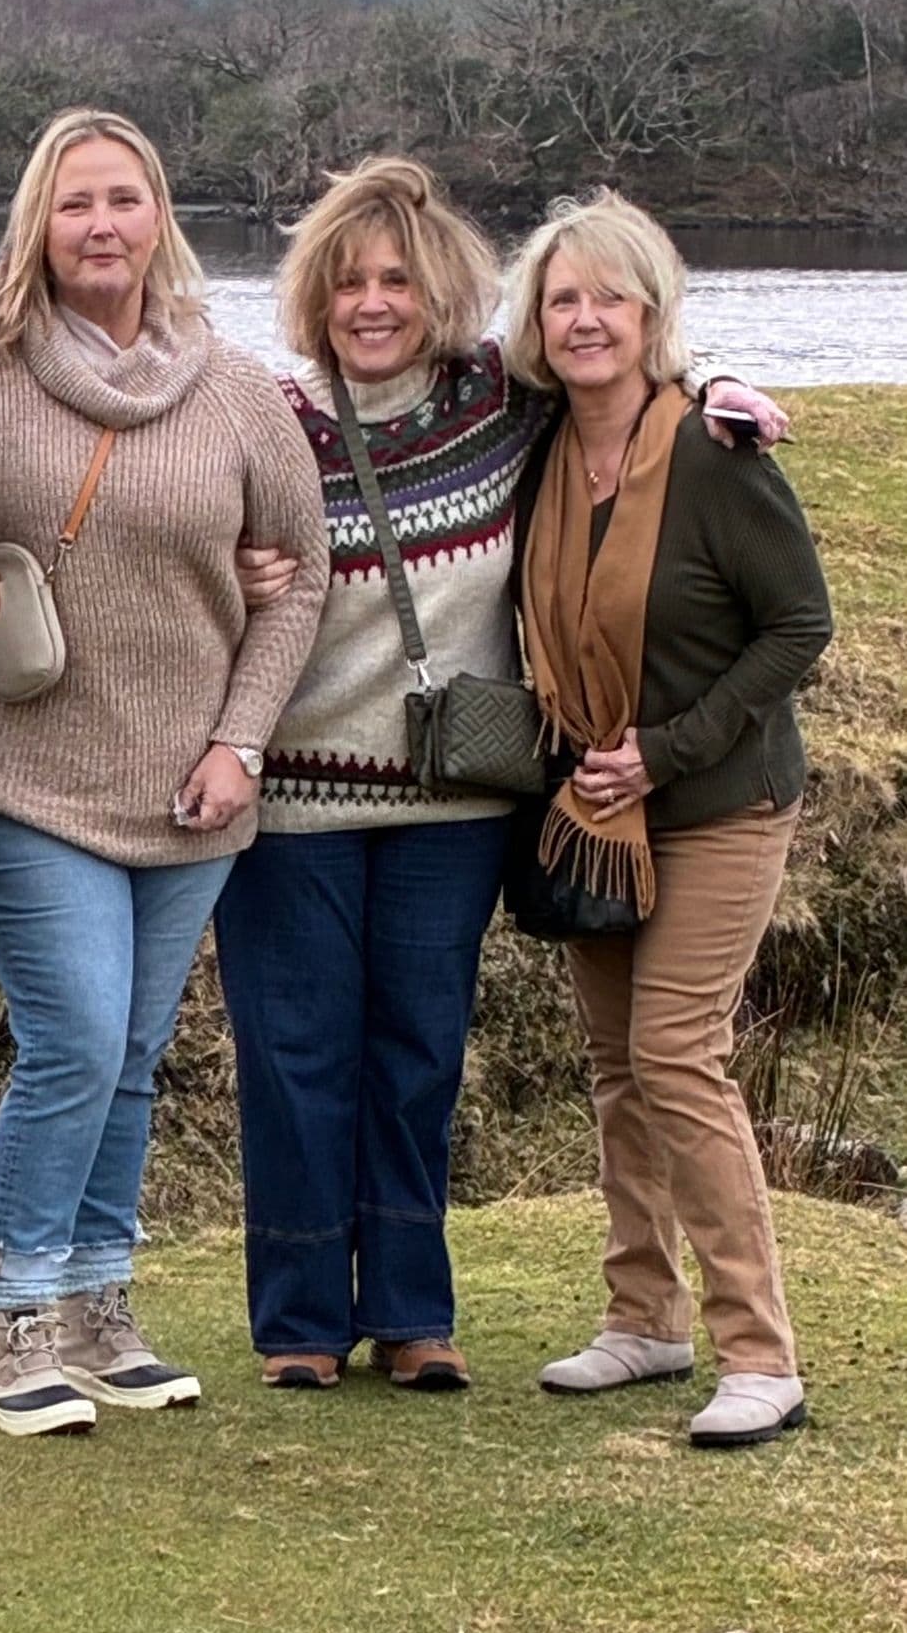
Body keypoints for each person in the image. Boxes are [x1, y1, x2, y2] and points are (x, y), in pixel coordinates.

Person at [215, 156, 789, 1397]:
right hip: (292, 799)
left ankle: (415, 1312)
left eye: (399, 282)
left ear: (442, 296)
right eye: (350, 281)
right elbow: (181, 535)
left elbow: (621, 370)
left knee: (417, 1053)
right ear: (314, 295)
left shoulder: (497, 400)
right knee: (295, 1053)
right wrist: (237, 574)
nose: (375, 303)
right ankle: (301, 1318)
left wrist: (719, 385)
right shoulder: (263, 416)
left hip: (458, 799)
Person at [0, 108, 330, 1437]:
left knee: (136, 1054)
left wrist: (240, 742)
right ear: (40, 219)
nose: (103, 224)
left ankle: (98, 1302)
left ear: (163, 217)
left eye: (126, 199)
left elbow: (299, 576)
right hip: (20, 778)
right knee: (77, 1038)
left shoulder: (237, 391)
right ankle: (11, 1326)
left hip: (193, 792)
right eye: (77, 201)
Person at [505, 190, 830, 1448]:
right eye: (561, 298)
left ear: (653, 315)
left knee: (675, 1050)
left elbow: (798, 626)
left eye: (609, 298)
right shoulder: (535, 444)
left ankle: (761, 1351)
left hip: (714, 800)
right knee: (613, 1066)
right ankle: (642, 1317)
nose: (584, 320)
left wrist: (670, 748)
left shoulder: (712, 448)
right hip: (588, 804)